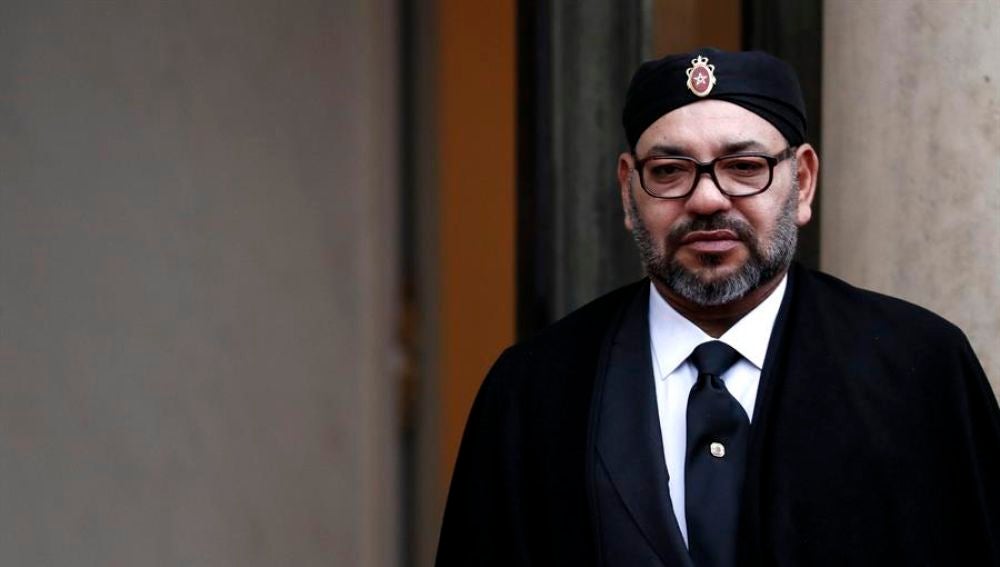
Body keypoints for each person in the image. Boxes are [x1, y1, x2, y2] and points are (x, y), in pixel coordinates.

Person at [435, 48, 1000, 567]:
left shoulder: (918, 372)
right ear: (629, 191)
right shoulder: (535, 392)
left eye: (745, 167)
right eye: (669, 171)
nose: (707, 199)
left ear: (802, 182)